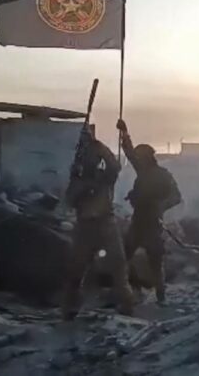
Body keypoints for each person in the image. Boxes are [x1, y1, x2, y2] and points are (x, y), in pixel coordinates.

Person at [61, 125, 134, 320]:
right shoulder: (77, 181)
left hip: (105, 224)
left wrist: (101, 147)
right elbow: (70, 200)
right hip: (85, 227)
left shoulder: (104, 178)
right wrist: (82, 186)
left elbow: (114, 166)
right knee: (76, 270)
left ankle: (127, 304)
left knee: (118, 266)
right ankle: (70, 309)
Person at [117, 119, 182, 303]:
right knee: (125, 257)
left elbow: (176, 197)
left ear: (148, 157)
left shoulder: (163, 175)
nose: (139, 160)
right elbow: (130, 153)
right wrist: (124, 133)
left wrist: (160, 206)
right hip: (139, 221)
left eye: (141, 157)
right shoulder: (144, 171)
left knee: (155, 262)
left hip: (153, 224)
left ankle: (160, 295)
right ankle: (132, 289)